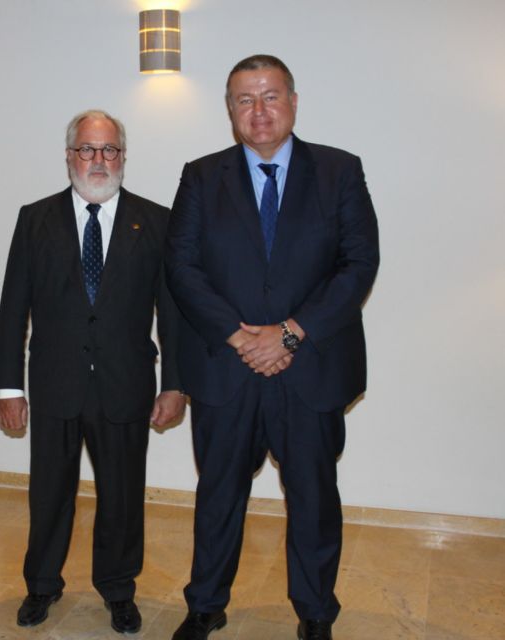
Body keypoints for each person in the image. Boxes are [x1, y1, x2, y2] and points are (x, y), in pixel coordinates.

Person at [165, 55, 379, 640]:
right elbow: (181, 268)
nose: (258, 110)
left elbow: (358, 264)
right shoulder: (200, 176)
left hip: (310, 369)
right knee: (218, 497)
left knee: (313, 498)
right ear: (230, 109)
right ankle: (205, 605)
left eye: (270, 96)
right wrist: (241, 337)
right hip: (225, 369)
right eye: (244, 99)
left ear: (293, 101)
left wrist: (289, 333)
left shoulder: (339, 171)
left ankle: (316, 612)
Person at [0, 109, 185, 634]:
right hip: (55, 383)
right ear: (69, 155)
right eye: (87, 149)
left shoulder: (157, 221)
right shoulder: (35, 219)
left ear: (122, 156)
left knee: (122, 498)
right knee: (49, 495)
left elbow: (172, 312)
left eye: (109, 150)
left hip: (126, 384)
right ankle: (41, 585)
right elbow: (13, 308)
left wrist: (175, 384)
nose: (98, 160)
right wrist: (8, 387)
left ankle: (119, 590)